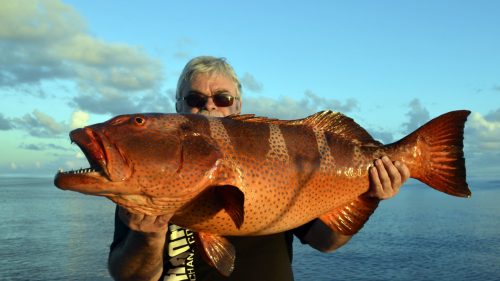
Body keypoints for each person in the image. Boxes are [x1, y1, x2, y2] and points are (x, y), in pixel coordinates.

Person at [108, 56, 410, 281]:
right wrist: (147, 237)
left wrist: (370, 194)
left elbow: (326, 241)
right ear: (179, 108)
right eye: (195, 99)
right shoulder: (147, 175)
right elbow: (130, 276)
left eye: (222, 98)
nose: (210, 107)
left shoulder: (279, 157)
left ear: (237, 106)